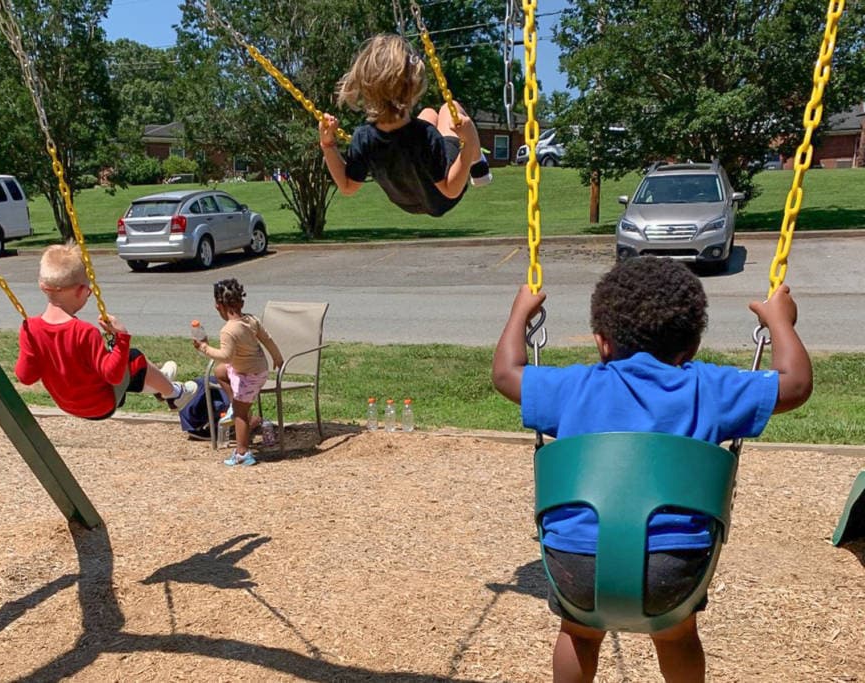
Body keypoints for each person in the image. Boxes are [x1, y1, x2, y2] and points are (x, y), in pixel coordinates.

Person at [491, 256, 813, 683]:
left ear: (602, 342)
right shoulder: (710, 388)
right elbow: (795, 384)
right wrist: (780, 322)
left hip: (576, 568)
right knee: (677, 635)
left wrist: (520, 314)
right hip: (673, 571)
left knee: (579, 634)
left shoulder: (571, 387)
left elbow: (506, 374)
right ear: (692, 347)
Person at [318, 33, 491, 218]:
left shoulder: (363, 138)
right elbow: (451, 189)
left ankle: (474, 156)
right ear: (412, 86)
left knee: (429, 113)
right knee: (451, 109)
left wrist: (328, 144)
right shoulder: (425, 136)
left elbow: (347, 187)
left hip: (407, 203)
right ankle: (477, 163)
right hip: (441, 199)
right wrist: (469, 142)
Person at [15, 243, 195, 420]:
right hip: (101, 404)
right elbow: (113, 376)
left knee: (128, 366)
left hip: (68, 404)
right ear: (80, 291)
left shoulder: (30, 328)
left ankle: (161, 382)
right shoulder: (84, 332)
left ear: (42, 285)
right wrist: (121, 337)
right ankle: (175, 393)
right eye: (88, 291)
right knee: (134, 358)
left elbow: (26, 377)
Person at [194, 278, 283, 467]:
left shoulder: (228, 330)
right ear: (241, 302)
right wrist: (277, 357)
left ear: (218, 306)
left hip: (249, 376)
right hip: (255, 369)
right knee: (219, 372)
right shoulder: (251, 320)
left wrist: (204, 348)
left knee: (240, 415)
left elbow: (225, 356)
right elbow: (267, 339)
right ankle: (240, 408)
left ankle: (242, 453)